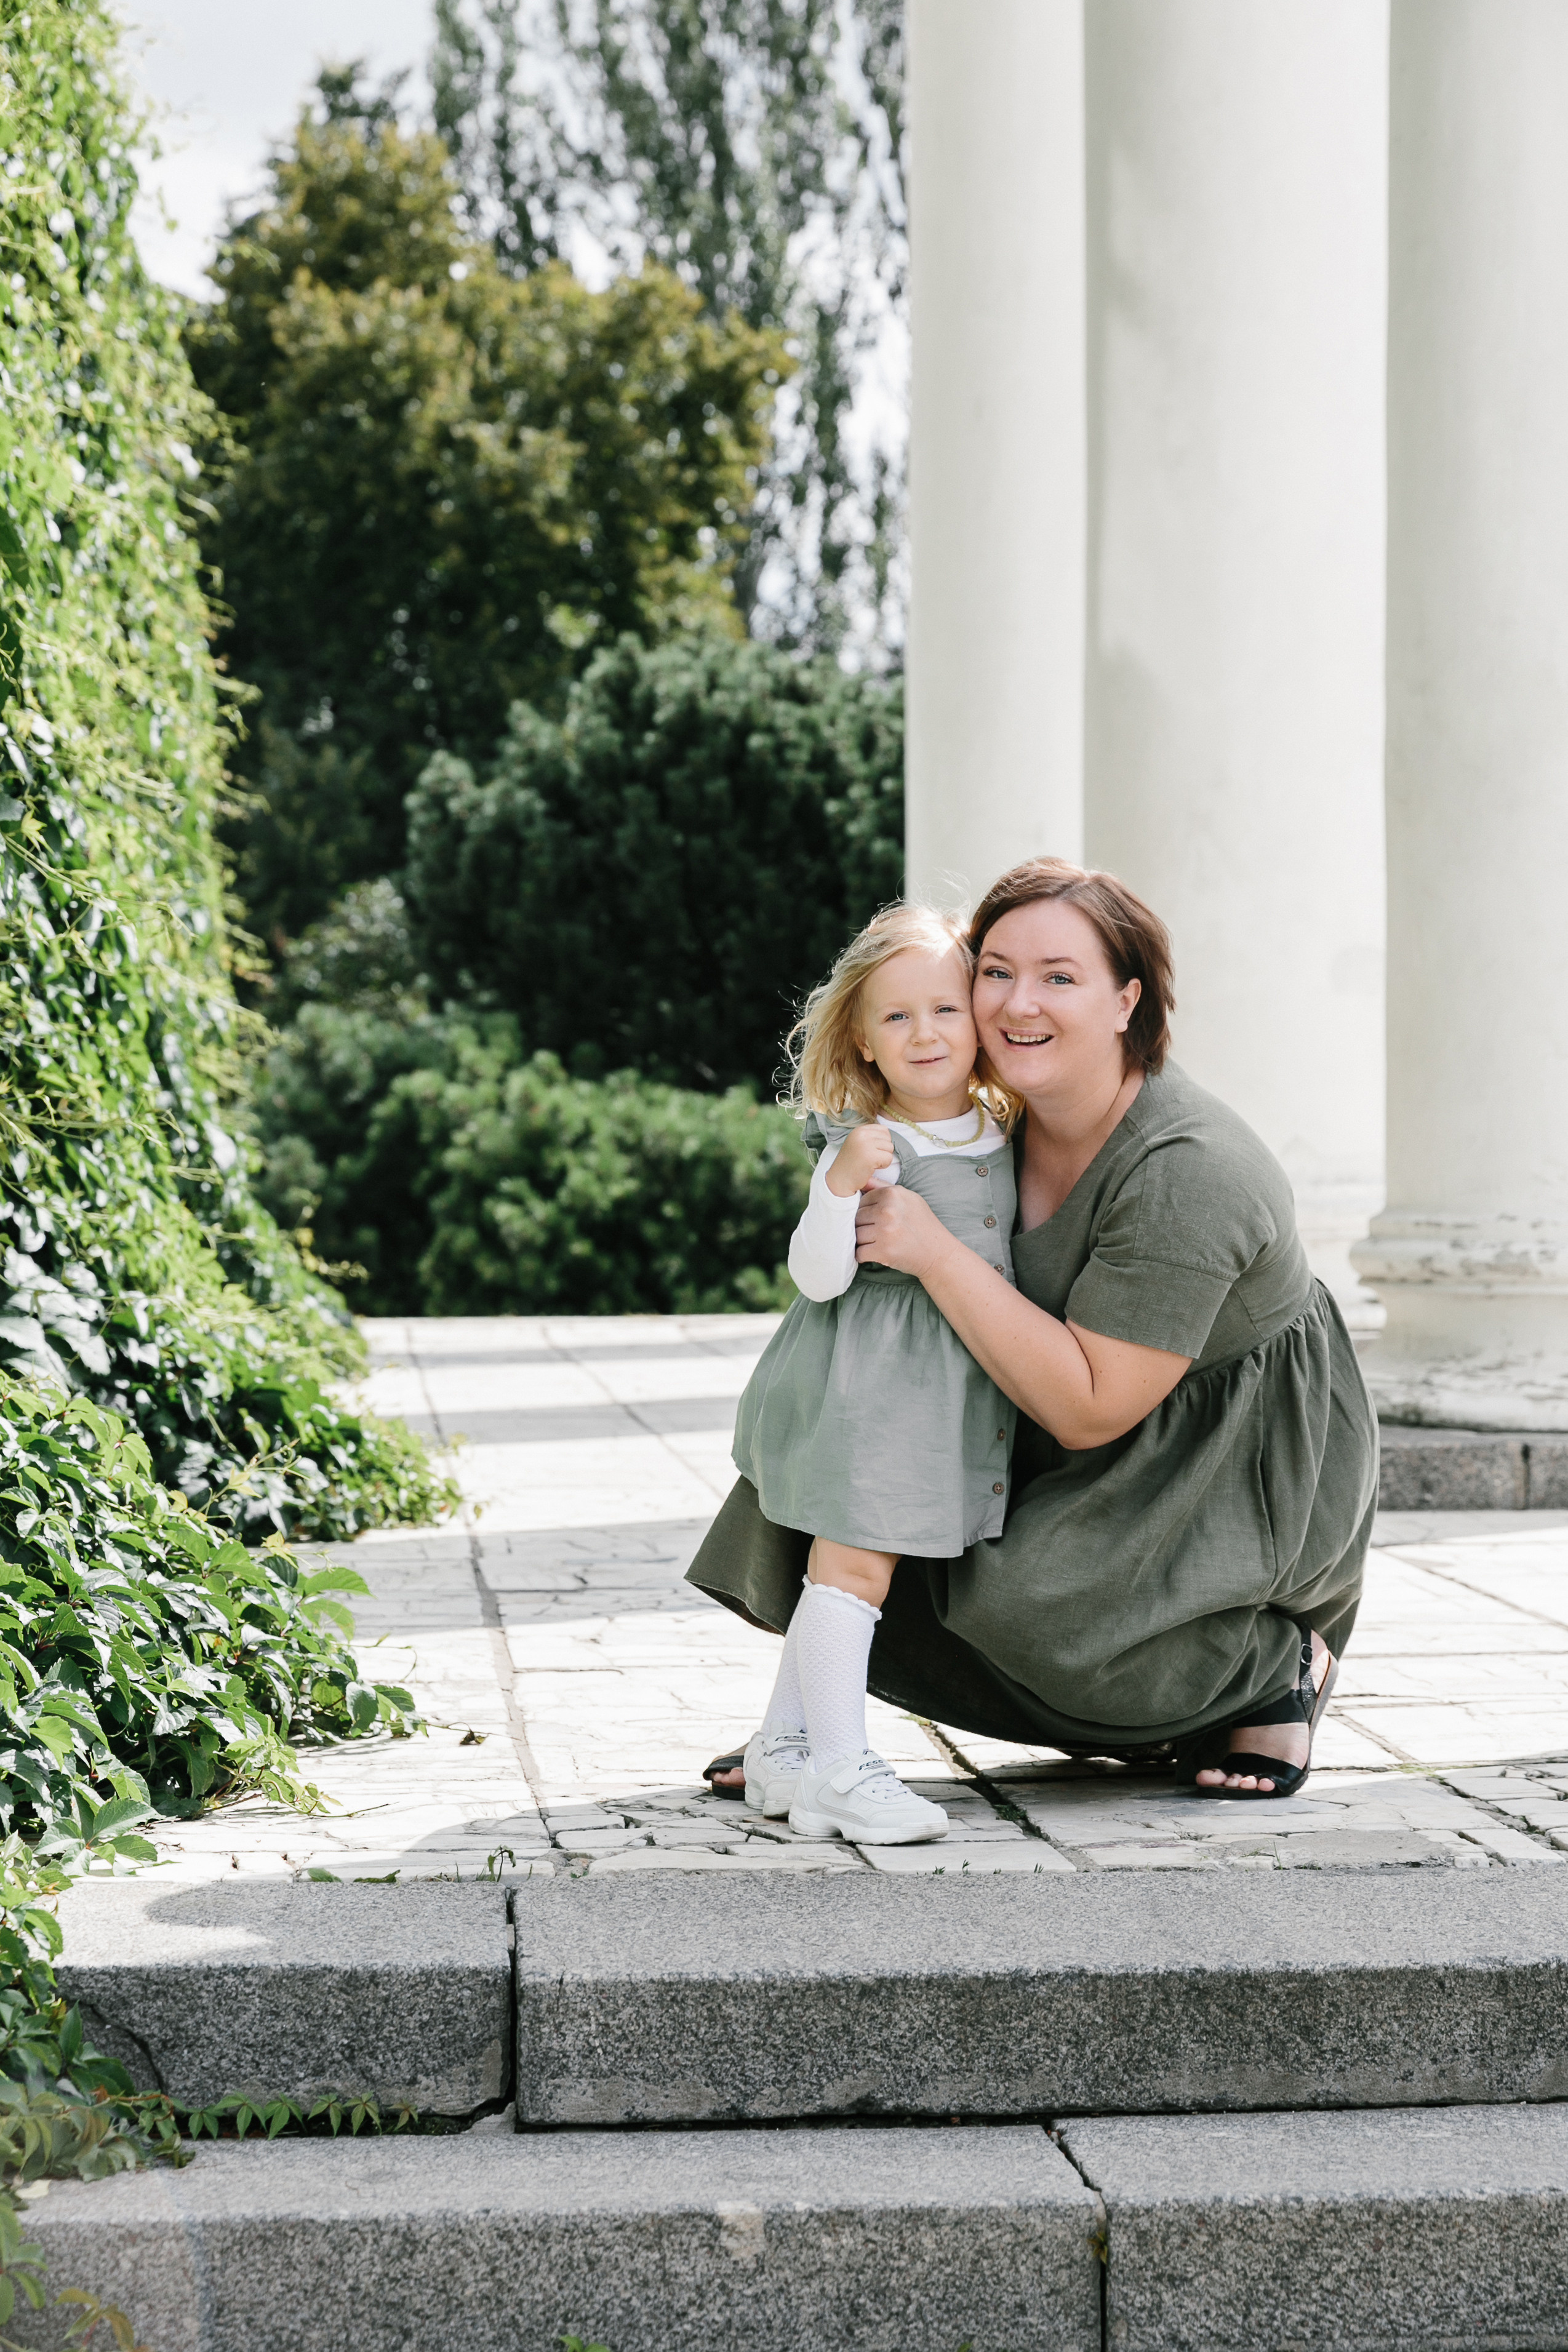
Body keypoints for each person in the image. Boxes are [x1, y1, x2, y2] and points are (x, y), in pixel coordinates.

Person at [697, 857, 1377, 1801]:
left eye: (1060, 976)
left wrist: (935, 1253)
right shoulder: (1000, 1119)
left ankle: (1265, 1667)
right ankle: (807, 1722)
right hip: (1053, 1399)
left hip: (1215, 1451)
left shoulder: (1190, 1170)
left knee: (1020, 1605)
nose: (1019, 1002)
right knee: (835, 1467)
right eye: (996, 971)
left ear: (1127, 1001)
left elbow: (1092, 1406)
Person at [727, 905, 1018, 1846]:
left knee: (853, 1568)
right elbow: (816, 1276)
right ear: (861, 1036)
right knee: (851, 1569)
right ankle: (840, 1772)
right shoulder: (869, 1140)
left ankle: (783, 1748)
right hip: (867, 1391)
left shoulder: (1001, 1128)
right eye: (897, 1016)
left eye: (945, 1008)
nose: (925, 1033)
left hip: (948, 1399)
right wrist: (840, 1183)